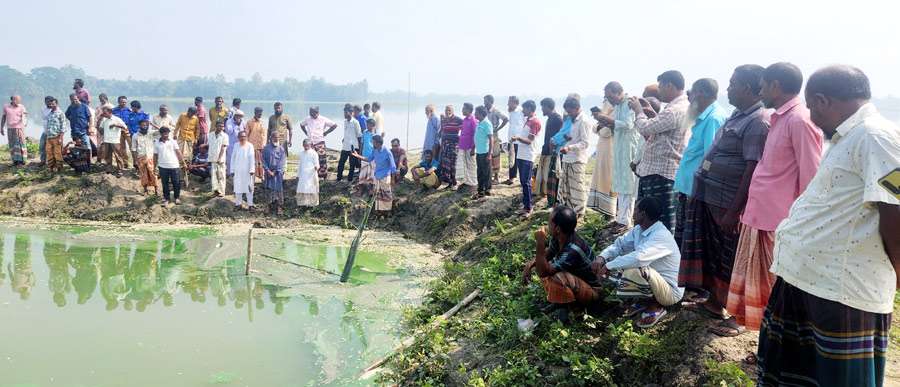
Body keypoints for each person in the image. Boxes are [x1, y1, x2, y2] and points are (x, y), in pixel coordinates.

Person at [757, 65, 900, 387]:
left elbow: (896, 206)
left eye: (810, 106)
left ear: (821, 100)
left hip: (841, 289)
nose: (811, 115)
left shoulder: (877, 137)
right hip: (810, 281)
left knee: (839, 378)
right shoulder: (850, 137)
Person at [726, 62, 824, 332]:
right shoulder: (779, 118)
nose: (760, 91)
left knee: (770, 282)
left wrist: (802, 221)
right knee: (752, 278)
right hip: (759, 212)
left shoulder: (800, 120)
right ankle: (749, 326)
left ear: (776, 86)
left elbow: (811, 176)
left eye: (764, 85)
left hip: (776, 218)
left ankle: (770, 334)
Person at [679, 65, 769, 337]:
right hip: (708, 196)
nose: (728, 89)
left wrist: (734, 211)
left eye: (732, 84)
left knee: (730, 259)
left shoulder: (758, 121)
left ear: (748, 88)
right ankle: (714, 303)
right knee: (712, 256)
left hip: (727, 203)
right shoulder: (736, 116)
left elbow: (751, 169)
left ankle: (738, 315)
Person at [592, 197, 685, 328]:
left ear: (643, 214)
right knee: (622, 264)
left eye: (635, 209)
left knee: (637, 268)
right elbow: (619, 245)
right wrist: (602, 257)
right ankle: (643, 301)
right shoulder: (638, 230)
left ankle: (656, 307)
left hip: (670, 291)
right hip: (655, 281)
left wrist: (608, 265)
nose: (633, 212)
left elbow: (639, 258)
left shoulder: (661, 235)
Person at [628, 70, 691, 231]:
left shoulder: (674, 110)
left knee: (656, 221)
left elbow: (645, 127)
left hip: (660, 174)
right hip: (659, 172)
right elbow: (659, 132)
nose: (659, 91)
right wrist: (649, 112)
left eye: (661, 87)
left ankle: (657, 252)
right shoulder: (678, 108)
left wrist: (638, 111)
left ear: (669, 85)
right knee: (654, 219)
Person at [521, 205, 601, 323]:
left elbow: (543, 271)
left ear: (557, 229)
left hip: (593, 291)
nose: (547, 225)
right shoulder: (559, 237)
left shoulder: (573, 249)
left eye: (550, 223)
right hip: (577, 282)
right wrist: (529, 265)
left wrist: (540, 243)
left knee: (555, 277)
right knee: (545, 266)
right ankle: (561, 304)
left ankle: (571, 312)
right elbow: (546, 257)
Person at [672, 79, 727, 244]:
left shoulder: (713, 119)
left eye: (691, 93)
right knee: (682, 238)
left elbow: (710, 159)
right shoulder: (705, 117)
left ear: (700, 93)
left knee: (690, 240)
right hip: (688, 188)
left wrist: (697, 190)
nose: (689, 97)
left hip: (694, 191)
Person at [596, 83, 641, 228]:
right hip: (619, 147)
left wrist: (605, 118)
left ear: (619, 92)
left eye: (610, 96)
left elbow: (627, 124)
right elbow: (617, 126)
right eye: (607, 97)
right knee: (620, 183)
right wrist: (606, 123)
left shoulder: (629, 103)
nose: (609, 100)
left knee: (628, 184)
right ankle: (620, 217)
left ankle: (625, 220)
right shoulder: (618, 106)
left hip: (629, 148)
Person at [557, 97, 594, 216]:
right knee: (566, 186)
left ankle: (579, 213)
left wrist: (570, 147)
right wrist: (567, 139)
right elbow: (571, 137)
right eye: (567, 112)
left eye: (570, 111)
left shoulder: (584, 121)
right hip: (567, 158)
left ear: (577, 108)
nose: (568, 114)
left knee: (577, 187)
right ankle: (567, 211)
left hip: (577, 159)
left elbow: (585, 143)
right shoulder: (571, 120)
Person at [512, 100, 542, 216]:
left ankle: (529, 208)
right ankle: (525, 206)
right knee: (523, 182)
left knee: (526, 182)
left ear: (530, 108)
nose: (522, 111)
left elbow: (529, 140)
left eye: (524, 109)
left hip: (528, 155)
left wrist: (518, 138)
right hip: (521, 154)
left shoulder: (535, 122)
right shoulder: (527, 120)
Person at [351, 135, 397, 212]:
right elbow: (368, 159)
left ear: (378, 143)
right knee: (378, 195)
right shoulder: (374, 150)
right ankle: (379, 211)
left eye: (373, 142)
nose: (372, 144)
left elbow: (393, 167)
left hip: (385, 176)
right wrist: (357, 156)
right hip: (377, 176)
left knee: (386, 194)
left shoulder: (387, 152)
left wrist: (392, 179)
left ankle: (388, 212)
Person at [587, 104, 617, 217]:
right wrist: (601, 125)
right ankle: (602, 210)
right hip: (602, 150)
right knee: (599, 178)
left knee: (607, 180)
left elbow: (606, 132)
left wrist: (600, 126)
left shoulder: (614, 113)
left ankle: (610, 212)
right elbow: (594, 128)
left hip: (610, 151)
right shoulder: (604, 115)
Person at [535, 98, 563, 203]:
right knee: (542, 175)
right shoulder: (550, 118)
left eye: (543, 107)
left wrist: (553, 151)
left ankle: (552, 200)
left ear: (547, 107)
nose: (542, 109)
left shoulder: (558, 119)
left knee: (551, 176)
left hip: (553, 152)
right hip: (545, 149)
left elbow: (559, 137)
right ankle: (544, 195)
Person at [300, 106, 337, 179]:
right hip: (310, 143)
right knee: (310, 159)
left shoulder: (323, 119)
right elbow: (301, 125)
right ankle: (311, 175)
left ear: (317, 112)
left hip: (320, 142)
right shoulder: (308, 119)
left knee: (322, 159)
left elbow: (334, 125)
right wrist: (306, 132)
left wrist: (326, 132)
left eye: (312, 112)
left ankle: (323, 176)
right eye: (310, 112)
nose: (311, 114)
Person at [154, 127, 184, 206]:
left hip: (174, 165)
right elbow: (155, 156)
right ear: (161, 134)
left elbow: (178, 152)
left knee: (176, 182)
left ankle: (177, 198)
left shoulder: (173, 141)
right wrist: (154, 166)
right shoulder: (157, 143)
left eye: (167, 133)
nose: (166, 135)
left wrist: (183, 162)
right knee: (165, 183)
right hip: (162, 166)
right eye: (164, 133)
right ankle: (166, 199)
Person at [484, 95, 509, 184]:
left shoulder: (495, 111)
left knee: (495, 155)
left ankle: (496, 177)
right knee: (487, 154)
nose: (484, 103)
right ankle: (489, 175)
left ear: (490, 102)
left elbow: (505, 119)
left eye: (485, 101)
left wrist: (497, 129)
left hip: (494, 134)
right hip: (485, 135)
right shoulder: (484, 110)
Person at [132, 120, 159, 196]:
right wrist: (135, 160)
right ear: (139, 126)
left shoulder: (151, 133)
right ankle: (145, 190)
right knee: (143, 174)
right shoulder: (135, 135)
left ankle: (156, 190)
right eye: (143, 125)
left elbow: (161, 131)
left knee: (152, 173)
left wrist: (152, 124)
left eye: (146, 125)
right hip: (141, 157)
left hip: (151, 157)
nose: (144, 127)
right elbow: (133, 149)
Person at [262, 131, 286, 215]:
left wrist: (275, 171)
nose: (276, 139)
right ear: (271, 138)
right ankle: (267, 207)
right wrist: (268, 170)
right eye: (274, 137)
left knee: (279, 190)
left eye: (277, 137)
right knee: (268, 190)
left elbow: (281, 162)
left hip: (277, 174)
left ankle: (280, 208)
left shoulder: (281, 149)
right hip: (268, 173)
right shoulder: (266, 148)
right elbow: (263, 160)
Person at [439, 105, 463, 188]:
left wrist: (461, 139)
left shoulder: (458, 119)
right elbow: (442, 132)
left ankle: (454, 182)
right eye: (446, 110)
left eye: (449, 110)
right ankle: (449, 182)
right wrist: (442, 145)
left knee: (453, 164)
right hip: (445, 144)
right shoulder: (444, 120)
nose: (447, 112)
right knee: (446, 164)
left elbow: (466, 127)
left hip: (454, 145)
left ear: (453, 111)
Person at [97, 106, 128, 172]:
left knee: (118, 155)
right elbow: (100, 130)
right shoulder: (104, 120)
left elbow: (125, 127)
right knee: (107, 155)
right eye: (103, 113)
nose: (104, 114)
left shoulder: (117, 119)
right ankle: (109, 168)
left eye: (105, 113)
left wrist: (115, 125)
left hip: (115, 140)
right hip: (106, 140)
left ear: (110, 112)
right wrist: (99, 120)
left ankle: (120, 169)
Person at [230, 131, 256, 209]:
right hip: (238, 171)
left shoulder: (250, 146)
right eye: (241, 137)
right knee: (238, 188)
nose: (242, 138)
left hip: (248, 171)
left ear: (246, 137)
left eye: (244, 136)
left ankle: (250, 205)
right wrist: (232, 170)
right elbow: (233, 158)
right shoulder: (236, 145)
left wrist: (252, 169)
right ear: (238, 138)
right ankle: (238, 204)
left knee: (249, 188)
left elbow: (252, 158)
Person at [456, 103, 479, 192]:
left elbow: (475, 135)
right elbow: (463, 132)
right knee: (464, 165)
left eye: (464, 109)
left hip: (470, 147)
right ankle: (466, 182)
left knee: (471, 165)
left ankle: (473, 184)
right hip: (463, 146)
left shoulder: (473, 120)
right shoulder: (465, 120)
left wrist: (473, 148)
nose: (462, 110)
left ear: (469, 110)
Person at [502, 96, 525, 185]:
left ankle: (522, 179)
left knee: (519, 159)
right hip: (511, 139)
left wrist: (521, 137)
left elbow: (525, 125)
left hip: (519, 140)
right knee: (511, 159)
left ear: (515, 103)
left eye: (510, 102)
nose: (508, 104)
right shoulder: (511, 112)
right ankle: (511, 178)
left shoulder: (521, 112)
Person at [337, 107, 362, 182]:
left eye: (346, 112)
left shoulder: (355, 122)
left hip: (353, 146)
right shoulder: (345, 122)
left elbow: (359, 135)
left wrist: (359, 148)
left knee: (352, 165)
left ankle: (350, 179)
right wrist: (344, 138)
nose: (344, 114)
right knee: (341, 163)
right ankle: (339, 178)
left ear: (351, 113)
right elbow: (347, 132)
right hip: (345, 145)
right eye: (344, 112)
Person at [1, 95, 28, 166]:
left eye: (19, 100)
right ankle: (15, 161)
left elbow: (25, 117)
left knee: (19, 143)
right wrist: (1, 128)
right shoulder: (6, 107)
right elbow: (3, 117)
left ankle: (21, 161)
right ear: (12, 100)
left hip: (19, 128)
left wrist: (25, 122)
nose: (19, 101)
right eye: (17, 100)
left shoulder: (21, 107)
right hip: (10, 129)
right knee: (12, 144)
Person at [473, 105, 493, 198]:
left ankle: (488, 189)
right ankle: (480, 190)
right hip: (479, 152)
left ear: (481, 113)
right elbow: (476, 137)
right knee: (480, 171)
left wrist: (489, 154)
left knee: (487, 172)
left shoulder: (487, 123)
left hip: (485, 152)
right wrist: (473, 148)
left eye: (476, 112)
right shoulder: (479, 123)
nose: (474, 114)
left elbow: (491, 139)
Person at [65, 93, 92, 158]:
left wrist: (90, 128)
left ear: (78, 98)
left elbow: (90, 117)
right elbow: (66, 115)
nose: (74, 101)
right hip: (74, 131)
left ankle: (89, 162)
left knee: (87, 147)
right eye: (72, 100)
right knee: (77, 147)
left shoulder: (84, 106)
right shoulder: (70, 107)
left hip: (84, 130)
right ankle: (79, 162)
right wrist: (71, 119)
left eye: (75, 99)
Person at [207, 120, 230, 196]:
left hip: (221, 159)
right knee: (214, 176)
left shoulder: (225, 136)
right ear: (215, 126)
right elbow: (210, 145)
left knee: (221, 176)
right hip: (213, 158)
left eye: (222, 126)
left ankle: (222, 192)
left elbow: (223, 147)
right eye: (220, 126)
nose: (221, 128)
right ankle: (215, 191)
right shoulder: (210, 134)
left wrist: (219, 158)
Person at [44, 97, 66, 173]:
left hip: (57, 136)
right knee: (49, 152)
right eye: (50, 104)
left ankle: (59, 168)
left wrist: (61, 137)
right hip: (49, 136)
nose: (52, 105)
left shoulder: (60, 113)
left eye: (53, 103)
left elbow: (63, 126)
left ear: (56, 104)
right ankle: (51, 167)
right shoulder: (50, 113)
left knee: (57, 153)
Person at [296, 138, 320, 207]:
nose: (306, 147)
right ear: (302, 145)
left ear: (310, 145)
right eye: (304, 145)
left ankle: (312, 206)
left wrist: (316, 167)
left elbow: (317, 164)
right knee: (302, 189)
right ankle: (303, 205)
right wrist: (298, 175)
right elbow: (300, 165)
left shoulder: (314, 153)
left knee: (311, 189)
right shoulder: (301, 153)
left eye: (307, 145)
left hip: (311, 175)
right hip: (303, 175)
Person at [125, 100, 149, 168]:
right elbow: (128, 125)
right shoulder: (130, 115)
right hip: (133, 135)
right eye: (131, 107)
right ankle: (135, 164)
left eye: (133, 107)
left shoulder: (144, 114)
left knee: (143, 150)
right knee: (134, 149)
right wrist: (132, 133)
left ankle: (145, 164)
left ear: (137, 107)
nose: (132, 109)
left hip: (143, 135)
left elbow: (147, 125)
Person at [174, 107, 199, 171]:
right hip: (181, 137)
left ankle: (187, 169)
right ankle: (178, 167)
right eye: (189, 112)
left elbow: (197, 129)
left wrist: (196, 138)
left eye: (191, 113)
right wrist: (175, 134)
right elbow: (177, 125)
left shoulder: (195, 119)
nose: (189, 114)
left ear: (194, 114)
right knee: (179, 153)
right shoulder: (182, 115)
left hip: (190, 138)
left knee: (189, 154)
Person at [245, 107, 267, 180]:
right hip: (252, 146)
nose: (260, 114)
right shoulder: (249, 122)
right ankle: (252, 177)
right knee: (253, 163)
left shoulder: (263, 122)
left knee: (261, 162)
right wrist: (247, 145)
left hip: (261, 146)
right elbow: (246, 134)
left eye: (261, 113)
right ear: (255, 112)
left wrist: (265, 144)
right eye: (258, 112)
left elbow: (265, 134)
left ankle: (262, 177)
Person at [357, 118, 377, 193]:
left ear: (373, 126)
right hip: (364, 156)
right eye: (367, 125)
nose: (368, 126)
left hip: (373, 157)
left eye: (369, 125)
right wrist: (360, 154)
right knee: (363, 173)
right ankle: (361, 189)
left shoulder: (376, 135)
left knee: (372, 174)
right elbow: (362, 144)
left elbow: (377, 147)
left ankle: (371, 189)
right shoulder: (364, 133)